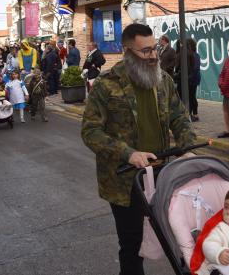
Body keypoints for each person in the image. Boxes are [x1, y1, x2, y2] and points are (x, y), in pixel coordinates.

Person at [81, 23, 197, 275]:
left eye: (154, 48)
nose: (153, 55)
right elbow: (90, 132)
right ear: (128, 51)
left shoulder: (163, 80)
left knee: (179, 237)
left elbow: (179, 118)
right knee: (132, 245)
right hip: (125, 181)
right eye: (145, 51)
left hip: (164, 175)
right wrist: (128, 153)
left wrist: (187, 148)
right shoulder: (106, 85)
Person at [187, 38, 201, 122]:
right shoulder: (194, 54)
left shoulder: (194, 55)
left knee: (191, 97)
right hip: (193, 79)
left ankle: (194, 114)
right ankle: (193, 114)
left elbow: (195, 68)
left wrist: (189, 77)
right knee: (191, 96)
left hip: (193, 79)